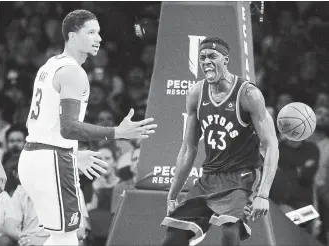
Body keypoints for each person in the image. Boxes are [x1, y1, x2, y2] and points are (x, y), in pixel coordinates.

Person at [18, 9, 157, 246]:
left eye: (99, 32)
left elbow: (46, 123)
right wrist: (117, 132)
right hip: (50, 160)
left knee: (59, 237)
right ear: (72, 37)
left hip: (33, 156)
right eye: (90, 32)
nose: (99, 38)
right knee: (68, 238)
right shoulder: (74, 72)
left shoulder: (49, 66)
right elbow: (69, 128)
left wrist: (71, 154)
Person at [160, 37, 279, 246]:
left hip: (242, 176)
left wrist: (263, 194)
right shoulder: (196, 93)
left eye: (212, 56)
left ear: (226, 59)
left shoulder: (248, 94)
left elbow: (271, 145)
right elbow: (189, 148)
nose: (206, 61)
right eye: (202, 57)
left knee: (229, 233)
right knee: (173, 237)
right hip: (209, 177)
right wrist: (172, 195)